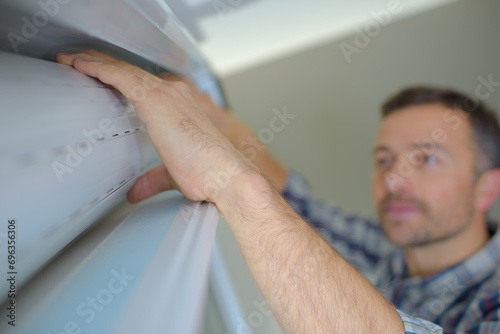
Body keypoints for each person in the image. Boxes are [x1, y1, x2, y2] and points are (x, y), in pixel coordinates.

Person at [56, 50, 500, 333]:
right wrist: (220, 125)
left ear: (488, 188)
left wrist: (227, 179)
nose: (394, 181)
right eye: (385, 160)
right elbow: (299, 202)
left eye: (426, 159)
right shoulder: (393, 254)